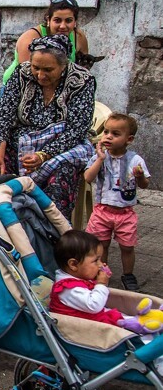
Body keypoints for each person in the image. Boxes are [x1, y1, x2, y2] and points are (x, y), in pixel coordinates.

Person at [0, 34, 96, 219]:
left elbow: (76, 128)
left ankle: (49, 236)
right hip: (20, 143)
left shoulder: (82, 80)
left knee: (61, 176)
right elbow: (3, 115)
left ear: (63, 65)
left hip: (59, 147)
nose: (41, 75)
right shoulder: (21, 73)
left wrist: (43, 155)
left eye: (48, 69)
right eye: (36, 68)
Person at [83, 113, 151, 291]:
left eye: (115, 133)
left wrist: (140, 176)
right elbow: (88, 177)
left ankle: (128, 275)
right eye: (106, 131)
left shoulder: (135, 160)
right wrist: (99, 159)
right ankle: (101, 271)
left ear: (129, 139)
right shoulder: (99, 156)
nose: (108, 136)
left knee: (127, 246)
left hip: (125, 213)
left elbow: (144, 185)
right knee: (101, 244)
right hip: (101, 211)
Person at [2, 0, 91, 85]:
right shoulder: (30, 38)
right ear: (48, 20)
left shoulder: (79, 38)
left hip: (59, 88)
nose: (63, 26)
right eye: (57, 20)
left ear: (75, 22)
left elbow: (82, 73)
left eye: (68, 21)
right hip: (20, 87)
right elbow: (28, 76)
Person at [49, 230, 121, 324]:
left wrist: (99, 281)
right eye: (96, 260)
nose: (101, 265)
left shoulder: (78, 276)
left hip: (91, 321)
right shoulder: (69, 289)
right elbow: (94, 306)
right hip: (81, 331)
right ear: (73, 264)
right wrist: (101, 284)